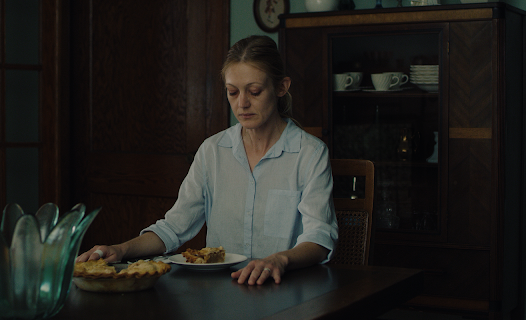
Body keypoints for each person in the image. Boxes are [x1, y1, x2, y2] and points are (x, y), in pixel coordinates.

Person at [77, 35, 338, 285]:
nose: (242, 104)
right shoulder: (212, 151)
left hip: (287, 289)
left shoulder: (310, 154)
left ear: (281, 87)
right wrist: (120, 249)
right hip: (221, 290)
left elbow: (319, 237)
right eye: (232, 92)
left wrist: (279, 260)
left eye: (255, 91)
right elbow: (175, 227)